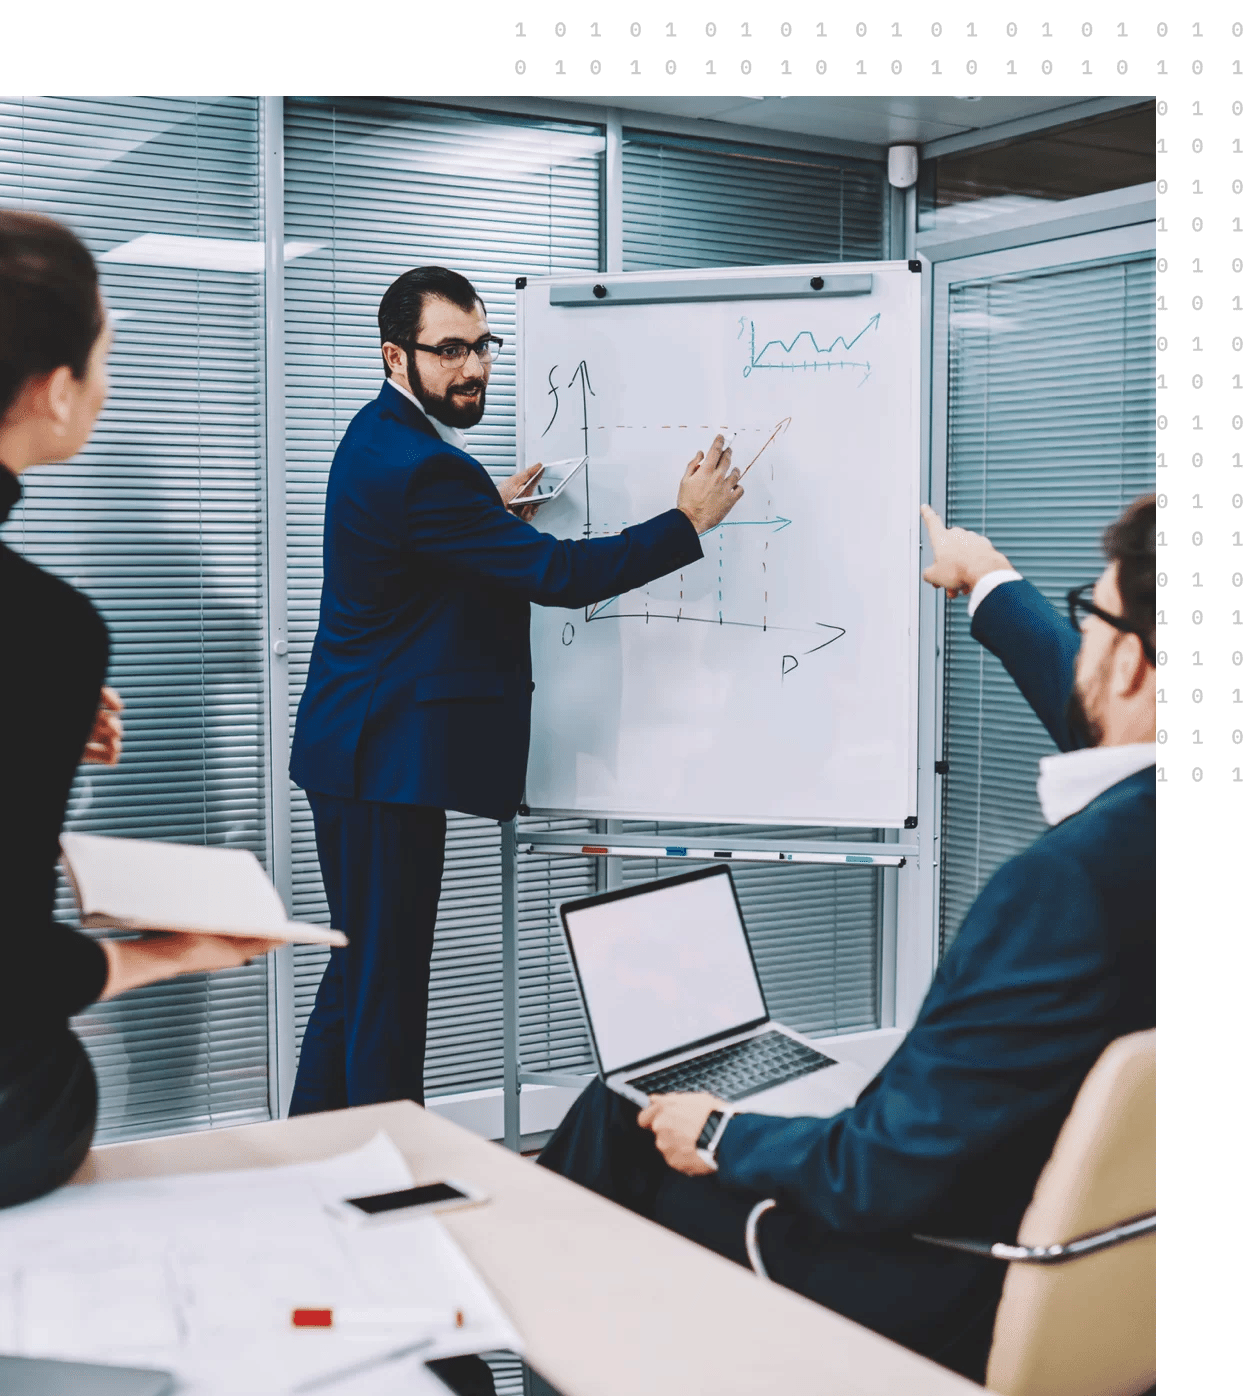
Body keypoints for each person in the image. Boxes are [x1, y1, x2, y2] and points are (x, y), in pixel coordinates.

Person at [539, 496, 1156, 1381]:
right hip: (1107, 1274)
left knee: (621, 1118)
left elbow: (879, 1175)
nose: (1082, 645)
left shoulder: (1066, 888)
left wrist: (723, 1134)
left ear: (1131, 662)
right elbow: (1118, 738)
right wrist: (992, 584)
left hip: (939, 1279)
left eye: (1089, 616)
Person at [287, 265, 743, 1116]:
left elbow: (417, 549)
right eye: (450, 350)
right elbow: (561, 575)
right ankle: (391, 1178)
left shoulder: (383, 437)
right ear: (398, 355)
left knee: (361, 973)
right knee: (385, 990)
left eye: (483, 344)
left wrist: (486, 518)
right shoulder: (425, 469)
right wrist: (685, 523)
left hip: (355, 753)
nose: (475, 367)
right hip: (381, 764)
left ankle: (307, 1163)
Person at [0, 210, 282, 1209]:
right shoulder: (45, 629)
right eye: (106, 354)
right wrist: (178, 952)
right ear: (55, 387)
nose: (110, 387)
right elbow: (12, 968)